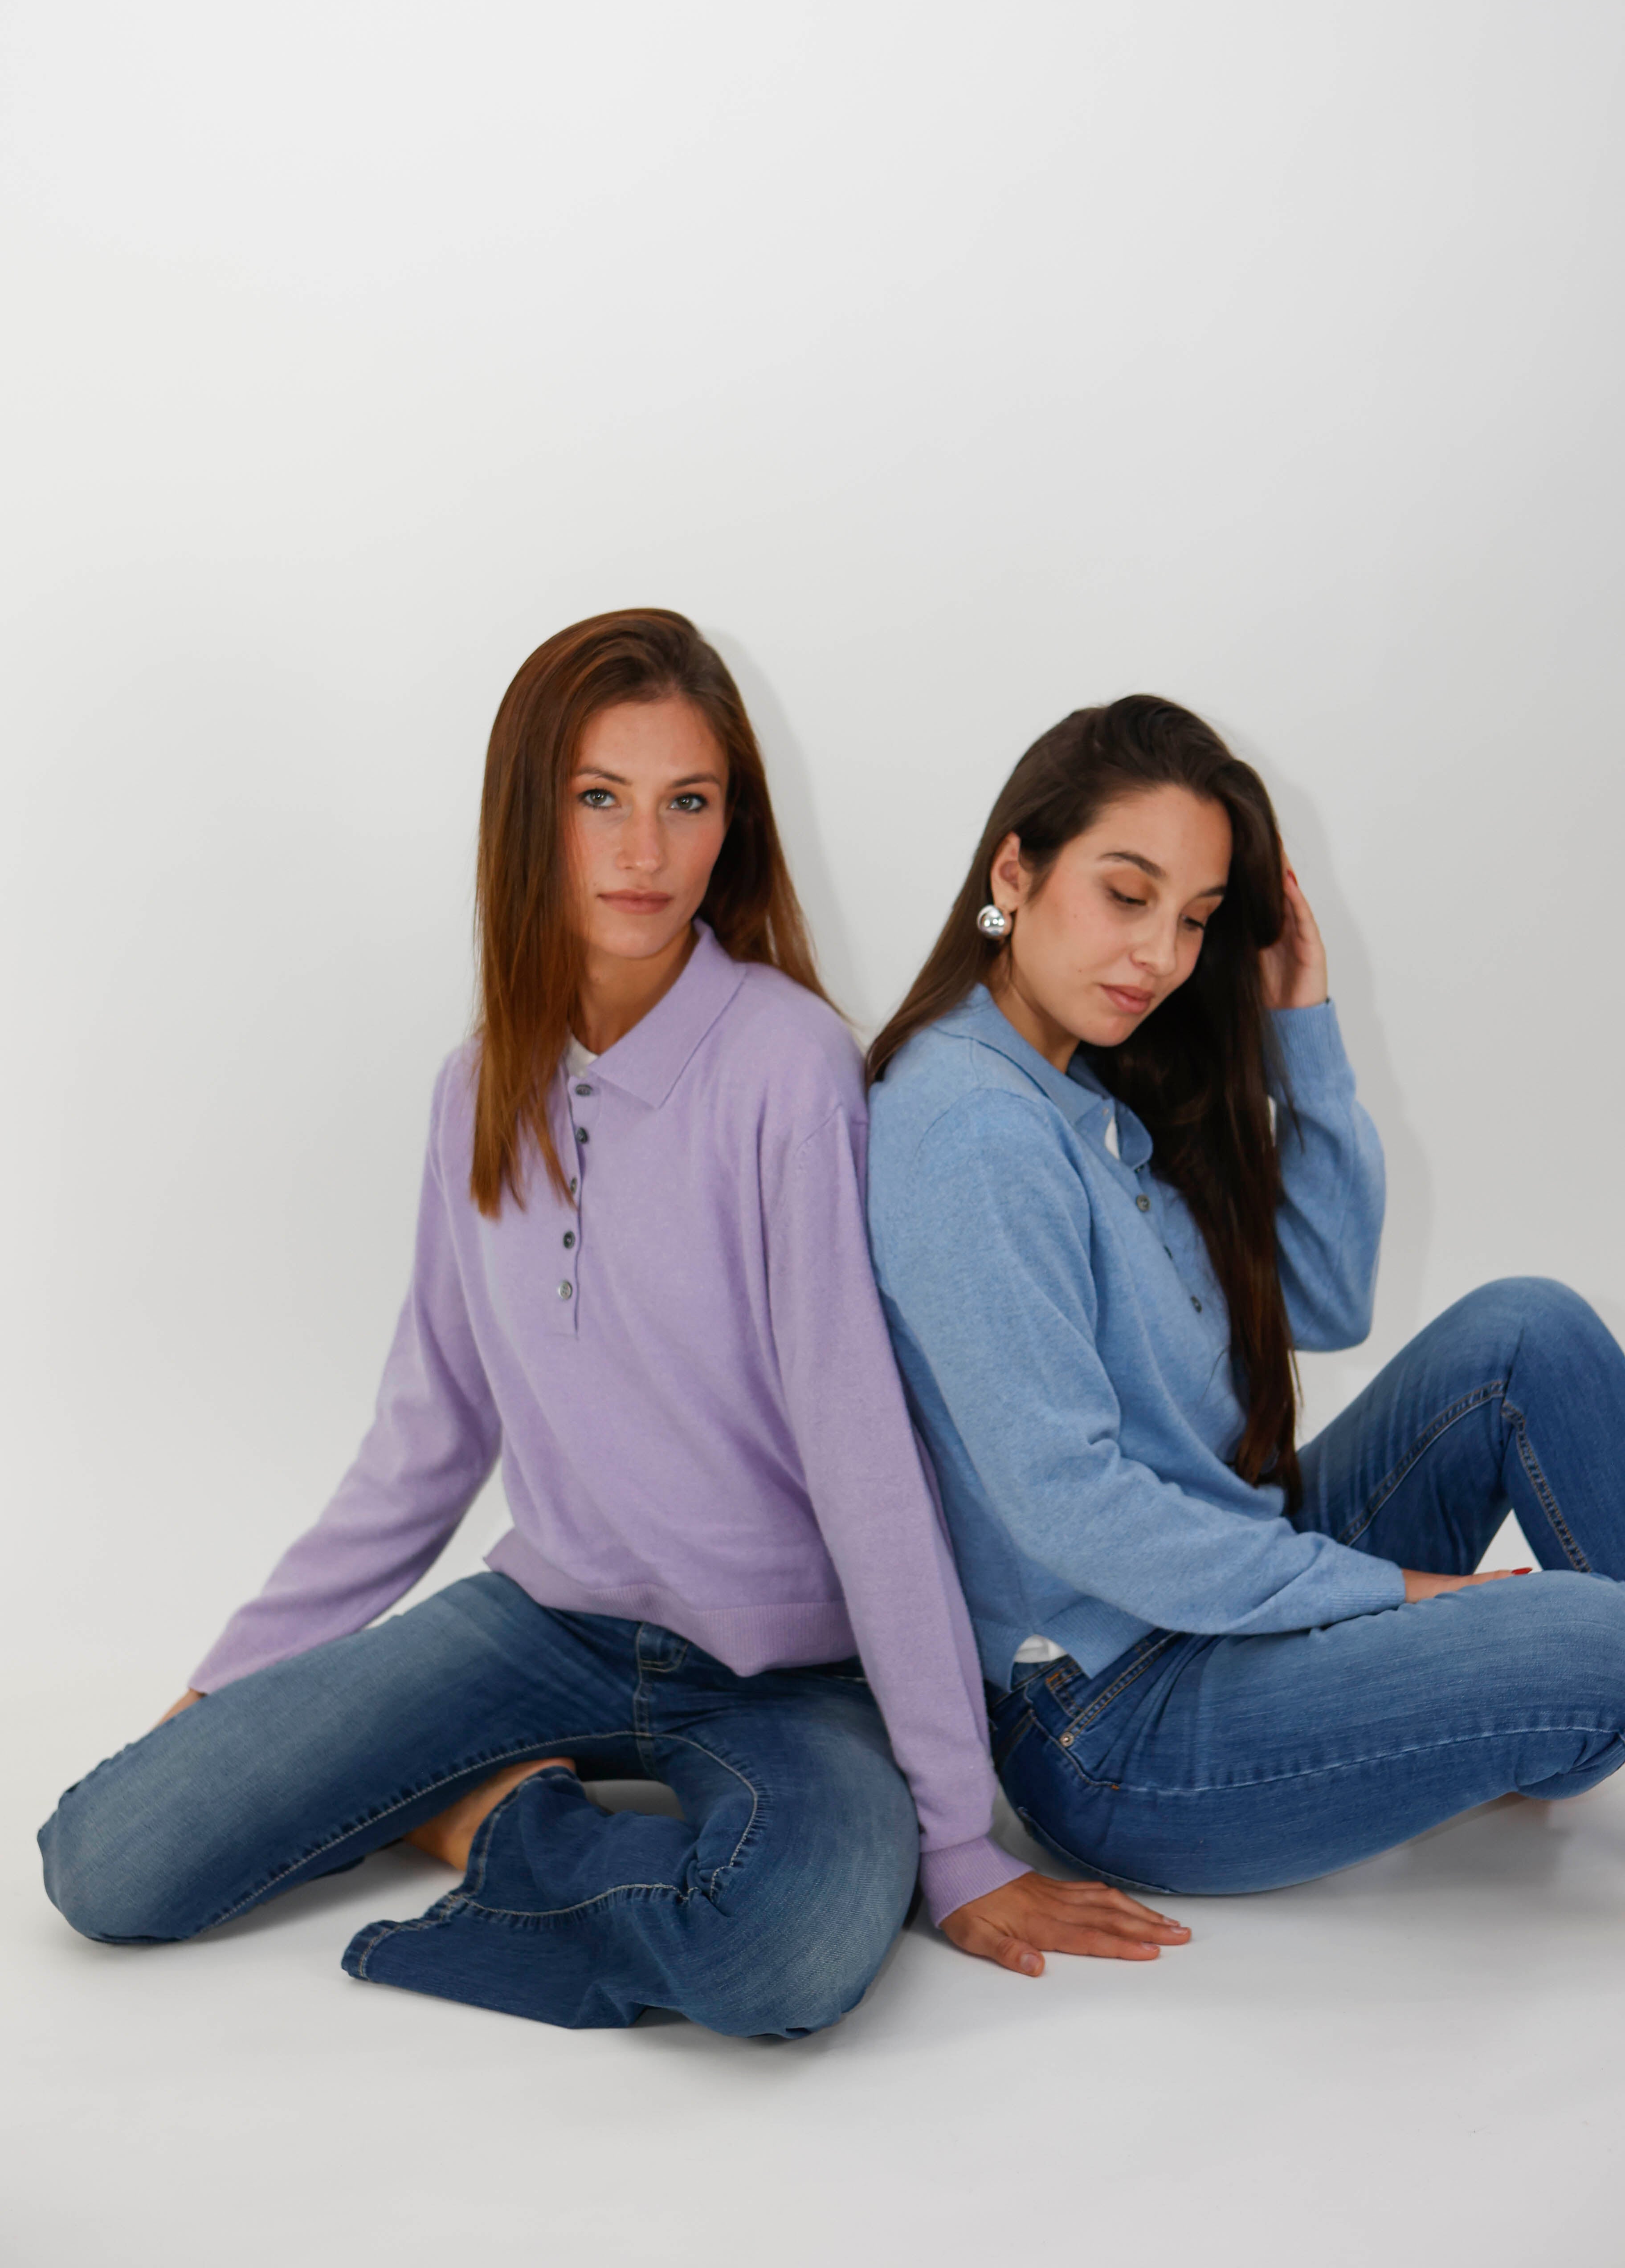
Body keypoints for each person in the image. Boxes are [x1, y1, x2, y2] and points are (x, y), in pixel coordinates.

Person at [39, 613, 1185, 2037]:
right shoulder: (476, 1090)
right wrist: (230, 1690)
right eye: (600, 799)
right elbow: (425, 1442)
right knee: (106, 1862)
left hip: (789, 1678)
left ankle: (492, 1821)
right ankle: (474, 1795)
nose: (645, 852)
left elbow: (866, 1463)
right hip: (545, 1627)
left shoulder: (789, 1066)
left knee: (787, 1957)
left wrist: (955, 1842)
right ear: (532, 817)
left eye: (687, 803)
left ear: (730, 827)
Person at [865, 693, 1625, 1902]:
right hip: (1119, 1719)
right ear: (1016, 870)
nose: (1162, 958)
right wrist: (1399, 1596)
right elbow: (1073, 1505)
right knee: (1600, 1635)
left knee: (1530, 1330)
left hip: (1228, 1589)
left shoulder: (1087, 1092)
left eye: (1197, 919)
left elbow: (1323, 1301)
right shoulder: (974, 1128)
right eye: (1128, 895)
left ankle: (1549, 1713)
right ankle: (1555, 1699)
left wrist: (1299, 1031)